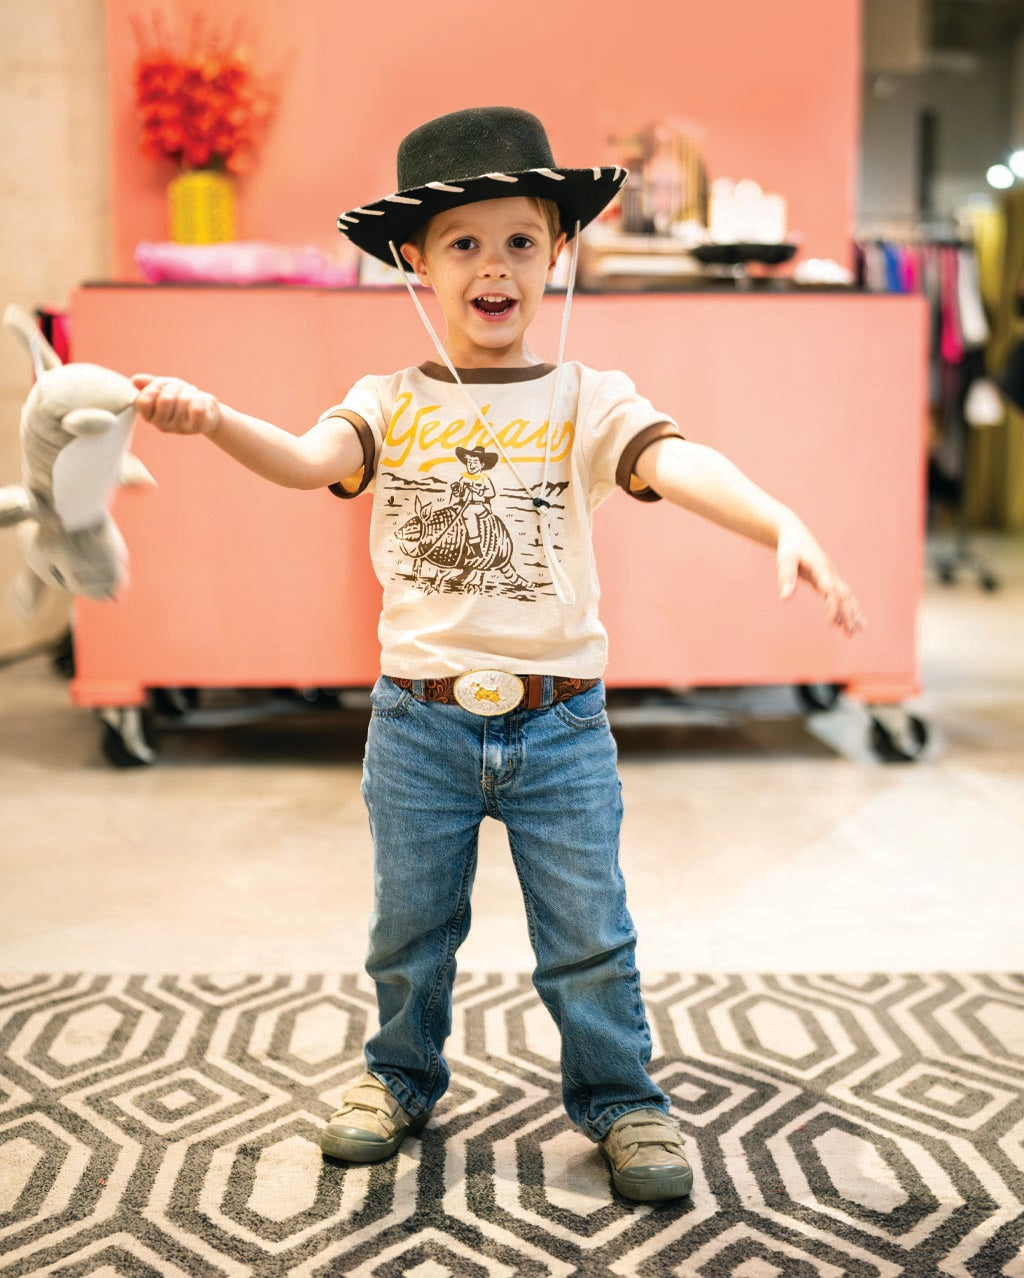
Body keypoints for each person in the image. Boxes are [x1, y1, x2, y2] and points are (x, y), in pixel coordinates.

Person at [133, 106, 865, 1204]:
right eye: (463, 243)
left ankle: (623, 1101)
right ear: (415, 261)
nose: (494, 266)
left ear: (557, 252)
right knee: (408, 932)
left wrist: (778, 520)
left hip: (559, 723)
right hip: (417, 722)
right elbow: (299, 459)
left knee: (589, 937)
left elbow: (678, 462)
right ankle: (398, 1074)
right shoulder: (386, 403)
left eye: (520, 240)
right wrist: (214, 418)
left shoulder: (585, 400)